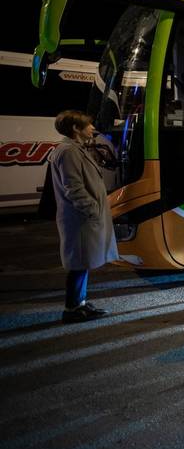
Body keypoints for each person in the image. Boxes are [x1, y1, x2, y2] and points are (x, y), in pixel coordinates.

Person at [49, 110, 118, 323]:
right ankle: (72, 309)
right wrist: (92, 210)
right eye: (88, 125)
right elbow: (73, 188)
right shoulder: (69, 151)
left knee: (82, 261)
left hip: (82, 218)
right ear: (76, 129)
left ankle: (80, 303)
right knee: (78, 262)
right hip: (80, 219)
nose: (92, 128)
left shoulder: (74, 149)